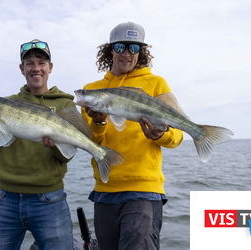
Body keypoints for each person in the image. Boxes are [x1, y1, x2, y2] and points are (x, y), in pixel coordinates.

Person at [0, 39, 75, 250]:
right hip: (5, 200)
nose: (36, 68)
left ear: (50, 68)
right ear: (21, 69)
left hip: (50, 200)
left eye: (41, 63)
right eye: (29, 63)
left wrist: (55, 145)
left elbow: (67, 155)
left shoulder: (65, 105)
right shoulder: (5, 103)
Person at [80, 22, 184, 250]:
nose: (126, 54)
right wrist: (98, 121)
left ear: (141, 53)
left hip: (144, 191)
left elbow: (176, 136)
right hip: (104, 191)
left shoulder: (156, 84)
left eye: (134, 48)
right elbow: (90, 142)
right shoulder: (92, 90)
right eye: (120, 47)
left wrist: (159, 136)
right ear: (110, 50)